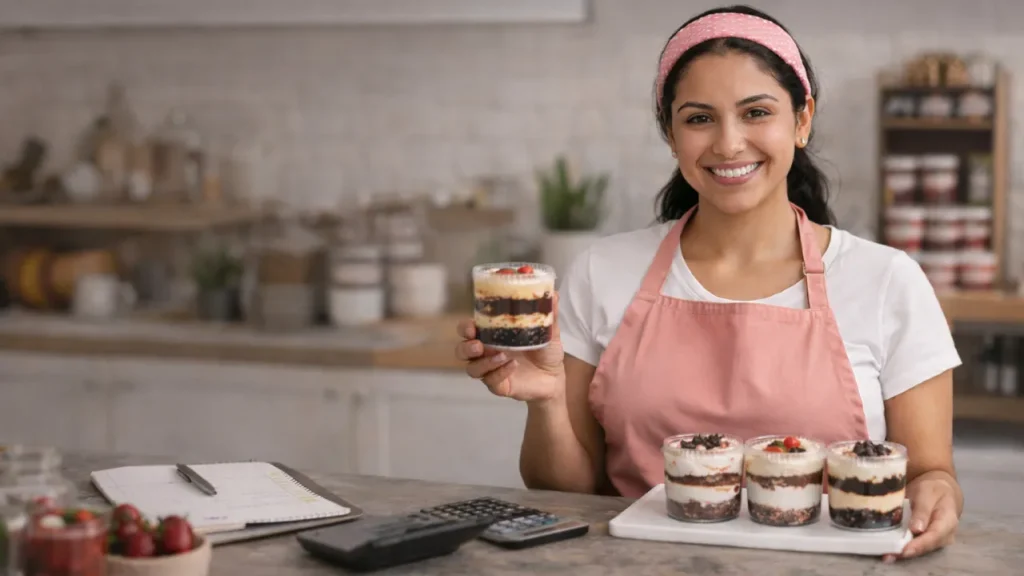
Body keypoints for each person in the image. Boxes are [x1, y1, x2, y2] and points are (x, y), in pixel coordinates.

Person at [455, 4, 962, 562]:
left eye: (756, 112)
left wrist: (938, 491)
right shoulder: (602, 273)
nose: (728, 144)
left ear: (802, 119)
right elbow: (567, 492)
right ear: (670, 134)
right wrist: (546, 402)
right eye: (699, 118)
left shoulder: (887, 282)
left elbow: (930, 473)